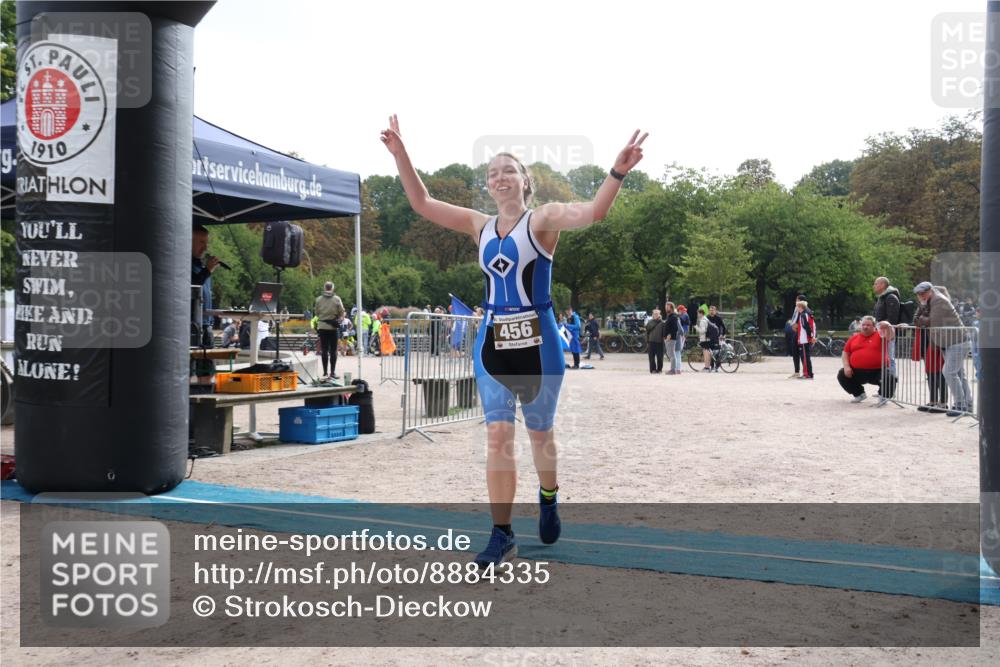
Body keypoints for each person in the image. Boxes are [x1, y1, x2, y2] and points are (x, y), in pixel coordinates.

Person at [381, 114, 646, 567]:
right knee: (498, 435)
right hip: (492, 341)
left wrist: (617, 172)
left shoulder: (543, 220)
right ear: (488, 186)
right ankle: (501, 534)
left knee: (540, 434)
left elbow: (595, 212)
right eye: (491, 173)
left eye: (508, 170)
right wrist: (401, 153)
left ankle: (548, 495)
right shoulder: (478, 225)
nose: (499, 177)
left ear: (525, 180)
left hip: (538, 342)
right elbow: (422, 202)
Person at [913, 281, 972, 417]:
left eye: (923, 293)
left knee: (949, 372)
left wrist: (922, 317)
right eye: (919, 294)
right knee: (958, 374)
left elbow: (933, 322)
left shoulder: (939, 300)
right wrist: (923, 314)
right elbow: (915, 320)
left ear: (930, 291)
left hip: (957, 341)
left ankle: (960, 405)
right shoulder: (927, 303)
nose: (921, 296)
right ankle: (967, 404)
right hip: (947, 342)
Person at [837, 316, 896, 402]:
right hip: (857, 371)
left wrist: (888, 326)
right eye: (863, 325)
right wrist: (846, 367)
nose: (865, 327)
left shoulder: (881, 335)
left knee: (890, 377)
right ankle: (859, 394)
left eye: (868, 325)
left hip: (878, 371)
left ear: (874, 326)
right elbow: (845, 353)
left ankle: (884, 396)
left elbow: (891, 336)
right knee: (842, 374)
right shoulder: (853, 338)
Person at [191, 225, 222, 349]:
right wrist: (207, 270)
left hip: (206, 324)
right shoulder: (184, 263)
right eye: (201, 242)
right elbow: (193, 286)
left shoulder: (202, 267)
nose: (205, 248)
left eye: (206, 243)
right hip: (194, 325)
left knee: (209, 366)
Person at [314, 281, 346, 379]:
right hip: (333, 327)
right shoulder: (337, 299)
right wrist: (339, 319)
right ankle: (332, 373)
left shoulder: (318, 299)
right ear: (332, 288)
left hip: (322, 327)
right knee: (333, 351)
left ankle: (324, 372)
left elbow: (316, 313)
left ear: (324, 288)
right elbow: (342, 312)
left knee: (324, 350)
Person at [872, 276, 902, 376]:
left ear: (883, 285)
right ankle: (884, 386)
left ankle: (891, 383)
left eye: (876, 284)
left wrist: (883, 326)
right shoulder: (883, 297)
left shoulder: (890, 297)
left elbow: (892, 319)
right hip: (881, 332)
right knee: (882, 358)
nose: (874, 286)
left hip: (887, 333)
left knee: (889, 358)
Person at [793, 300, 816, 380]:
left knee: (805, 357)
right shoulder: (805, 314)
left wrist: (811, 336)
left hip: (804, 339)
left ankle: (807, 374)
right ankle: (808, 373)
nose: (796, 308)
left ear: (800, 307)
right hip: (805, 339)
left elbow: (807, 327)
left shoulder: (803, 315)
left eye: (797, 307)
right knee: (806, 357)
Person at [645, 308, 666, 373]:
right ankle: (653, 369)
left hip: (659, 342)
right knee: (651, 357)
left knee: (660, 357)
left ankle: (659, 369)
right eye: (654, 314)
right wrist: (647, 341)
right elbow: (647, 332)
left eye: (657, 314)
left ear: (659, 315)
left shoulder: (662, 323)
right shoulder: (650, 322)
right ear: (652, 315)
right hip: (651, 342)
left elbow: (664, 332)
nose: (655, 315)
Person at [663, 302, 681, 374]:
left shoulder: (673, 316)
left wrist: (670, 334)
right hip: (668, 338)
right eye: (666, 306)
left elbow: (675, 328)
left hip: (671, 338)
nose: (666, 308)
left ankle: (673, 369)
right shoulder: (669, 316)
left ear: (671, 308)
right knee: (670, 354)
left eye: (668, 307)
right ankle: (673, 369)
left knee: (672, 354)